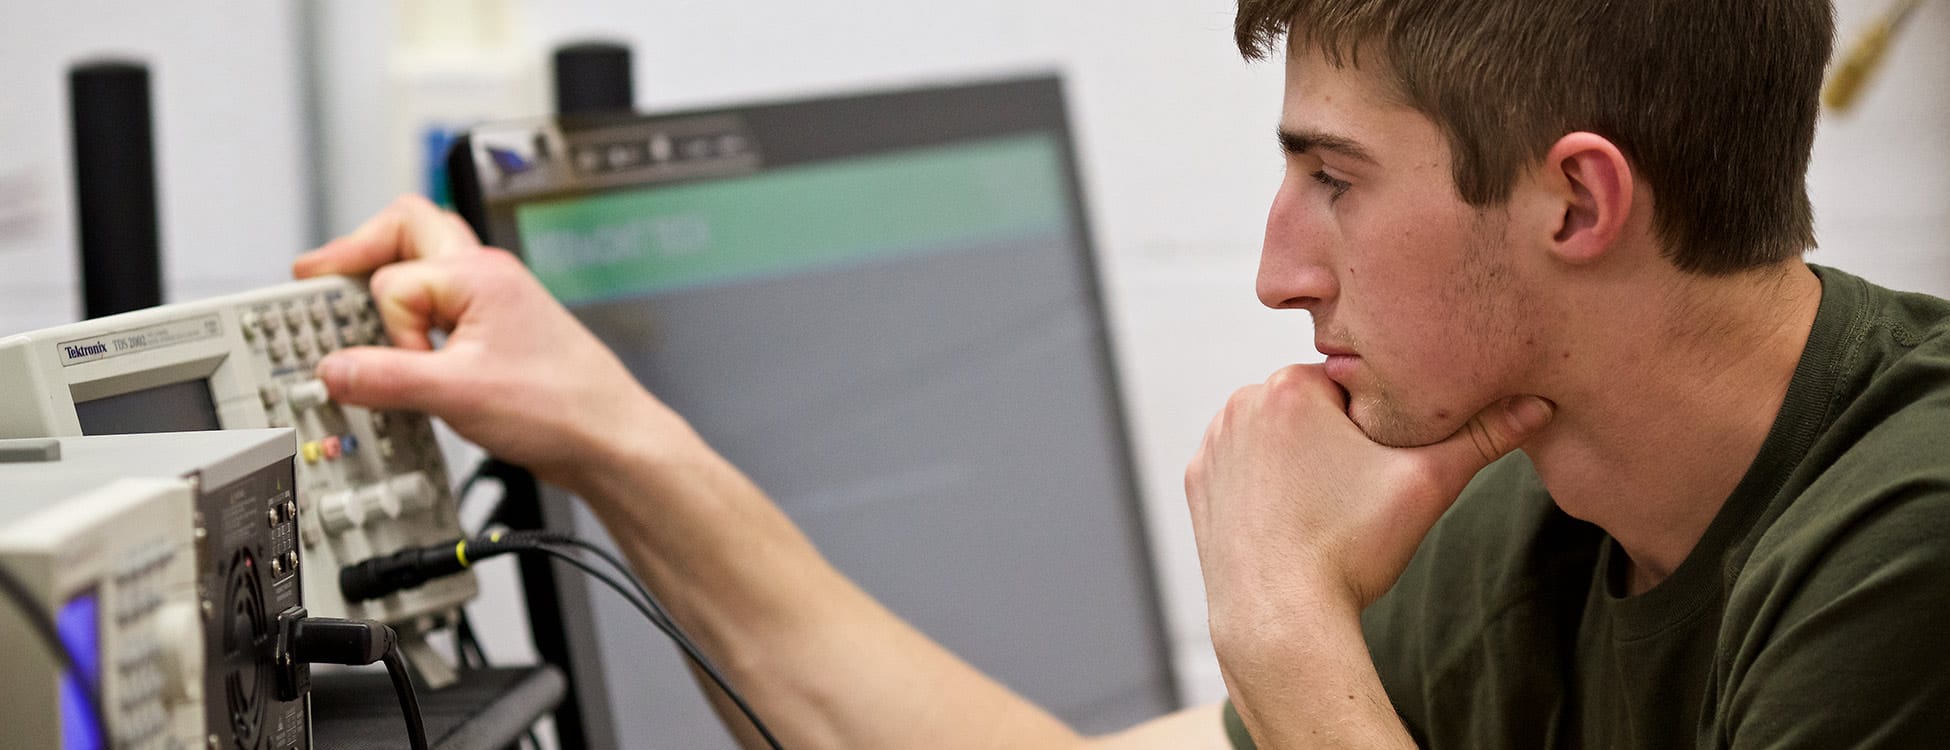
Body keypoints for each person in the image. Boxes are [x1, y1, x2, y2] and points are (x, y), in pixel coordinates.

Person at [295, 0, 1950, 746]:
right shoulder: (1541, 502)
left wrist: (1289, 632)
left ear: (1575, 198)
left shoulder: (1908, 549)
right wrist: (610, 436)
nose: (1276, 265)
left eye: (1335, 179)